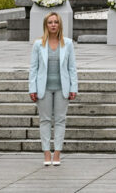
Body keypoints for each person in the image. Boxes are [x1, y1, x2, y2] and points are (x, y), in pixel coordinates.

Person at [28, 12, 78, 166]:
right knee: (45, 120)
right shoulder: (38, 44)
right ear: (46, 25)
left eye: (56, 22)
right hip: (44, 88)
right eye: (50, 22)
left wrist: (73, 87)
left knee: (60, 120)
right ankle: (46, 153)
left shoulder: (68, 43)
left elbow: (72, 68)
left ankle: (57, 153)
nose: (53, 25)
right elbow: (33, 68)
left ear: (60, 24)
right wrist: (32, 88)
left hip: (62, 88)